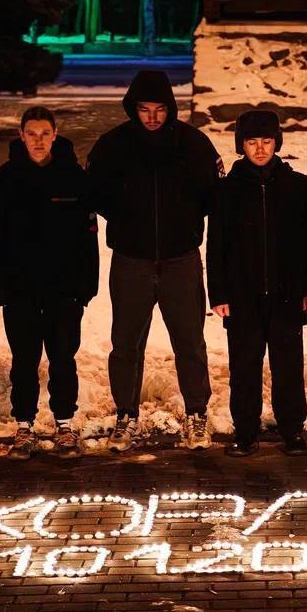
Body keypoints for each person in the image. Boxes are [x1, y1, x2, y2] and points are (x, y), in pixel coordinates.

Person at [86, 70, 222, 451]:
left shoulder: (193, 144)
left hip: (181, 259)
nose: (152, 117)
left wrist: (186, 220)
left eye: (159, 110)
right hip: (131, 260)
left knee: (190, 342)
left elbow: (214, 195)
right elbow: (94, 191)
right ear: (133, 108)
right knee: (126, 343)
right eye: (144, 109)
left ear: (170, 108)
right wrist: (126, 217)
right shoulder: (113, 145)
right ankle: (126, 415)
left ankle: (196, 414)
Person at [0, 106, 99, 459]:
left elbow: (88, 236)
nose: (38, 141)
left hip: (64, 289)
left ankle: (64, 424)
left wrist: (85, 287)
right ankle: (24, 426)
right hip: (20, 288)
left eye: (44, 134)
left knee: (63, 358)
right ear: (21, 136)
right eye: (31, 134)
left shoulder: (73, 176)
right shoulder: (7, 176)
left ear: (55, 134)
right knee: (24, 359)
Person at [207, 110, 307, 457]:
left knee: (289, 366)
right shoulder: (227, 189)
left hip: (287, 294)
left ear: (277, 143)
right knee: (244, 367)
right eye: (252, 142)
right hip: (242, 295)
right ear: (241, 145)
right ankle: (245, 432)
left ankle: (292, 430)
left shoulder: (297, 185)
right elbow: (216, 245)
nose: (259, 149)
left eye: (267, 141)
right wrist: (219, 293)